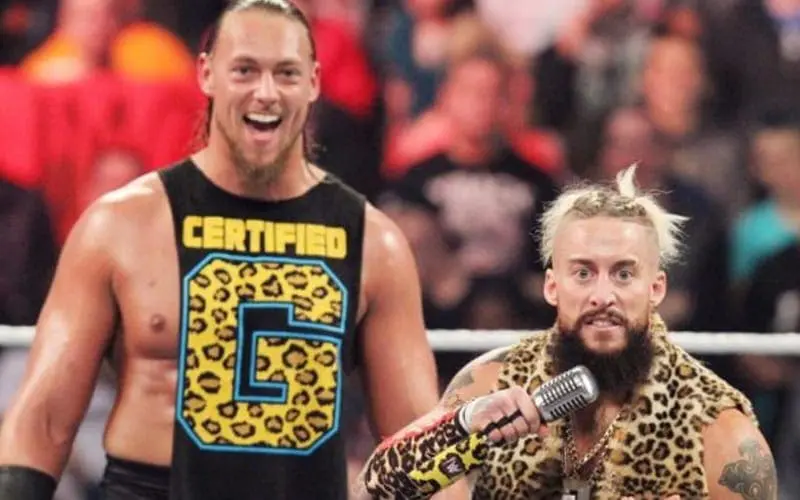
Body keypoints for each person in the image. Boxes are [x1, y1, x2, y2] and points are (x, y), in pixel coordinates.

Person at [0, 1, 442, 499]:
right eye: (245, 70)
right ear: (206, 74)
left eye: (286, 73)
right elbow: (44, 418)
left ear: (314, 82)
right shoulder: (120, 227)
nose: (266, 92)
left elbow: (416, 442)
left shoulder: (374, 243)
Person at [356, 165, 778, 499]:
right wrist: (461, 429)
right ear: (552, 286)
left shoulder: (719, 434)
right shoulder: (492, 385)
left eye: (624, 273)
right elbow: (375, 490)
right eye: (583, 273)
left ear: (656, 288)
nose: (602, 296)